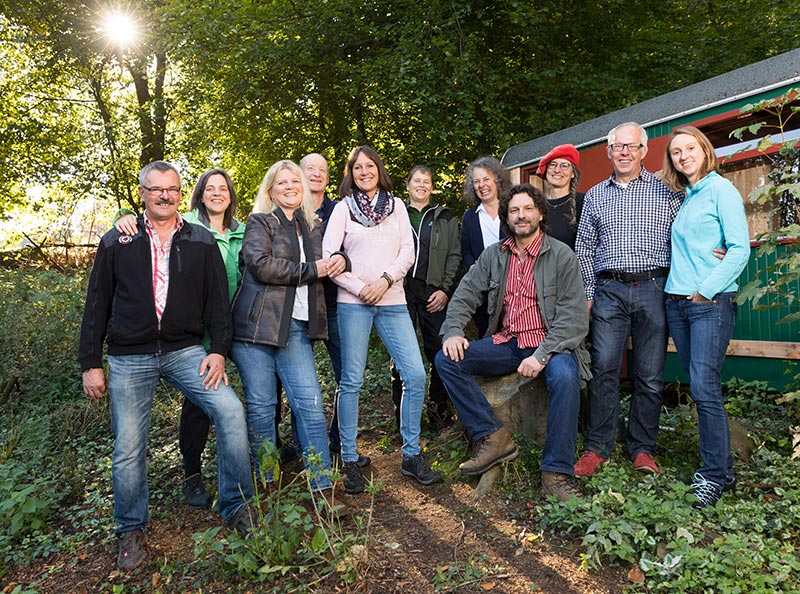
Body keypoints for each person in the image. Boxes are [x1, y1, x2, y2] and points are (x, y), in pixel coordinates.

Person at [79, 161, 255, 571]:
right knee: (128, 445)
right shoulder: (118, 240)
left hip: (185, 350)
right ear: (142, 193)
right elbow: (96, 305)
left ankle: (235, 507)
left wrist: (219, 350)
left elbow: (217, 303)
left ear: (180, 194)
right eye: (155, 189)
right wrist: (91, 362)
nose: (164, 196)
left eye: (172, 189)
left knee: (230, 412)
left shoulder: (200, 241)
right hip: (129, 355)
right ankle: (130, 529)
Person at [435, 183, 589, 502]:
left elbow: (574, 319)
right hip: (508, 343)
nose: (521, 216)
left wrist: (542, 355)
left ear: (540, 213)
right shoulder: (495, 255)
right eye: (514, 210)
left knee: (565, 375)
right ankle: (493, 437)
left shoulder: (561, 255)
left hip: (550, 344)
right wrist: (452, 331)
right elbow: (465, 294)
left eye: (528, 209)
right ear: (507, 216)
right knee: (446, 360)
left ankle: (555, 473)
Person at [115, 168, 244, 510]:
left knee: (241, 406)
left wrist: (220, 346)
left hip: (229, 331)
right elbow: (101, 298)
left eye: (224, 189)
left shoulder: (239, 233)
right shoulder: (170, 228)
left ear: (231, 195)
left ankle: (242, 492)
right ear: (199, 194)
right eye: (210, 188)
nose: (217, 193)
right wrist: (121, 216)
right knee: (191, 412)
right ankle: (187, 478)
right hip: (176, 339)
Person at [322, 145, 441, 494]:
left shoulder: (397, 206)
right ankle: (349, 456)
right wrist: (361, 288)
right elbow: (330, 258)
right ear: (351, 174)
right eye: (357, 168)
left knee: (416, 374)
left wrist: (386, 281)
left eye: (369, 166)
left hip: (392, 300)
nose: (364, 172)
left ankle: (410, 453)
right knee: (352, 380)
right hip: (353, 302)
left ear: (379, 169)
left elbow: (409, 250)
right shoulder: (343, 209)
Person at [230, 160, 346, 506]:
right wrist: (314, 269)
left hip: (294, 329)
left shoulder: (313, 226)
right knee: (263, 408)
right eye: (282, 182)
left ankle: (322, 487)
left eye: (294, 181)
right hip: (255, 330)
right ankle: (266, 483)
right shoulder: (260, 222)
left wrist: (342, 261)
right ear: (271, 191)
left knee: (310, 405)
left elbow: (340, 252)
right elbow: (260, 264)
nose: (290, 186)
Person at [574, 122, 682, 477]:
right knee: (604, 369)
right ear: (608, 152)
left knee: (649, 375)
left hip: (654, 287)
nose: (623, 152)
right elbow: (584, 249)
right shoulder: (594, 195)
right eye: (617, 146)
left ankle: (642, 449)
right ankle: (598, 447)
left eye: (630, 146)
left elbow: (685, 236)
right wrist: (589, 294)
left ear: (642, 151)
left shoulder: (666, 192)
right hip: (609, 291)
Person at [661, 126, 750, 508]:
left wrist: (707, 289)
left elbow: (740, 250)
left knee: (704, 387)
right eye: (676, 152)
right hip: (677, 304)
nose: (683, 156)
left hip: (707, 304)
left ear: (704, 149)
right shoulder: (686, 198)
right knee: (699, 387)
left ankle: (713, 477)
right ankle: (722, 470)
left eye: (689, 148)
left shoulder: (721, 189)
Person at [301, 153, 370, 468]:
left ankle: (338, 444)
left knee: (349, 376)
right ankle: (305, 446)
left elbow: (356, 248)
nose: (316, 174)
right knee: (299, 382)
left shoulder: (341, 209)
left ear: (329, 177)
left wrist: (344, 257)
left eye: (322, 170)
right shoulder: (288, 208)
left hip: (336, 304)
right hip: (298, 308)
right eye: (310, 169)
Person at [390, 165, 461, 429]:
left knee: (439, 352)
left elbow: (454, 254)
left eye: (427, 181)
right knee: (400, 354)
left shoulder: (444, 216)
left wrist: (444, 289)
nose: (421, 185)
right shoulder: (396, 214)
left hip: (433, 291)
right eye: (416, 181)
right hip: (401, 290)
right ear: (407, 185)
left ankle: (439, 414)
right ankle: (402, 419)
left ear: (432, 186)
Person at [460, 156, 511, 337]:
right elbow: (465, 250)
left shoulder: (511, 210)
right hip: (483, 290)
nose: (482, 185)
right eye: (476, 181)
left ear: (497, 180)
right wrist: (472, 266)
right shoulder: (470, 217)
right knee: (487, 336)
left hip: (512, 286)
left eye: (486, 179)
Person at [535, 144, 584, 250]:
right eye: (553, 165)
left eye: (564, 166)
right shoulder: (535, 204)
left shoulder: (584, 203)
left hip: (572, 265)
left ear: (572, 173)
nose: (557, 170)